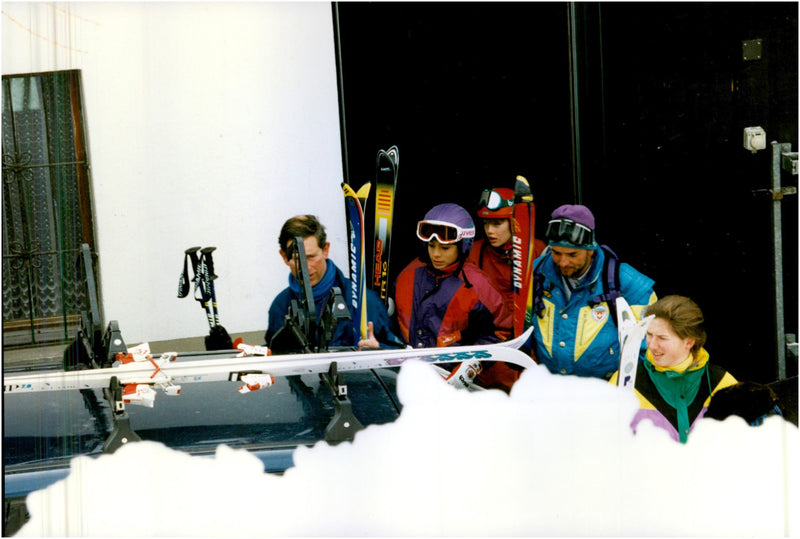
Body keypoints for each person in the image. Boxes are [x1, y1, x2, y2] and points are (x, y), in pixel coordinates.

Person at [393, 203, 513, 388]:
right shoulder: (407, 276)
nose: (436, 254)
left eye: (445, 248)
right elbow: (393, 325)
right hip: (407, 379)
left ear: (463, 246)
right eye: (431, 246)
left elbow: (501, 331)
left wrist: (472, 364)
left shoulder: (477, 284)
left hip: (452, 383)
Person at [530, 204, 656, 379]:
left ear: (590, 249)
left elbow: (651, 346)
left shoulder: (628, 284)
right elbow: (522, 326)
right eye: (556, 253)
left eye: (572, 255)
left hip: (606, 393)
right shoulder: (536, 274)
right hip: (553, 389)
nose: (563, 262)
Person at [265, 214, 403, 352]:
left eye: (311, 257)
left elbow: (398, 355)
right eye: (297, 259)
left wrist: (379, 350)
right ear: (284, 256)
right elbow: (274, 358)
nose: (305, 268)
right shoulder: (280, 307)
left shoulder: (364, 301)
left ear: (325, 250)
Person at [610, 295, 738, 443]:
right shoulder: (626, 380)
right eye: (649, 335)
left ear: (689, 341)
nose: (652, 345)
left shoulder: (722, 383)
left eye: (662, 338)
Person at [467, 186, 546, 390]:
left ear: (514, 222)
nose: (490, 231)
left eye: (497, 223)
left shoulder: (538, 251)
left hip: (533, 360)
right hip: (491, 363)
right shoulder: (473, 254)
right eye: (486, 223)